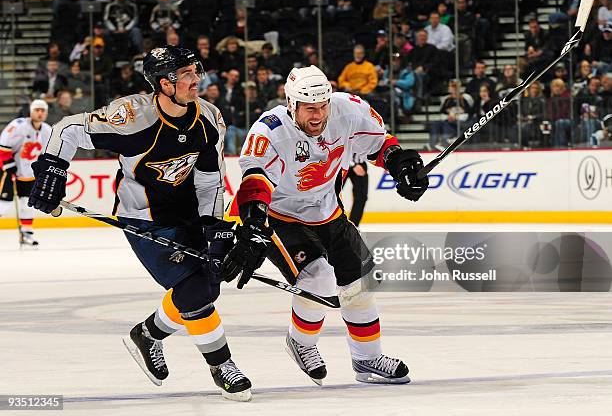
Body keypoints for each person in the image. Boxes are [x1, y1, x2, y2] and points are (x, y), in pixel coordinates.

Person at [27, 46, 253, 401]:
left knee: (210, 283)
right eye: (188, 75)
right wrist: (53, 169)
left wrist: (215, 228)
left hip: (189, 210)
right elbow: (67, 128)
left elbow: (210, 180)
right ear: (165, 84)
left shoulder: (208, 117)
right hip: (145, 217)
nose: (198, 80)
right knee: (195, 291)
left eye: (197, 70)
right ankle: (221, 364)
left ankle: (147, 334)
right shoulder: (132, 117)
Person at [223, 65, 428, 386]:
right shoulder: (270, 130)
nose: (318, 115)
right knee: (318, 279)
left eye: (322, 106)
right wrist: (251, 227)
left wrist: (399, 163)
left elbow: (379, 145)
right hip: (280, 216)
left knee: (359, 284)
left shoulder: (349, 109)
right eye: (309, 108)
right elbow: (255, 180)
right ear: (291, 105)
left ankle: (367, 358)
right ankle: (301, 343)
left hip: (328, 211)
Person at [0, 100, 51, 246]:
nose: (40, 113)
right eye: (37, 110)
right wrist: (9, 166)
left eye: (43, 110)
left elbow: (46, 155)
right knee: (4, 202)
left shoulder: (47, 130)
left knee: (27, 203)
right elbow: (3, 147)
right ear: (31, 111)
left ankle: (27, 233)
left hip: (28, 173)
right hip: (7, 169)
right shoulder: (18, 126)